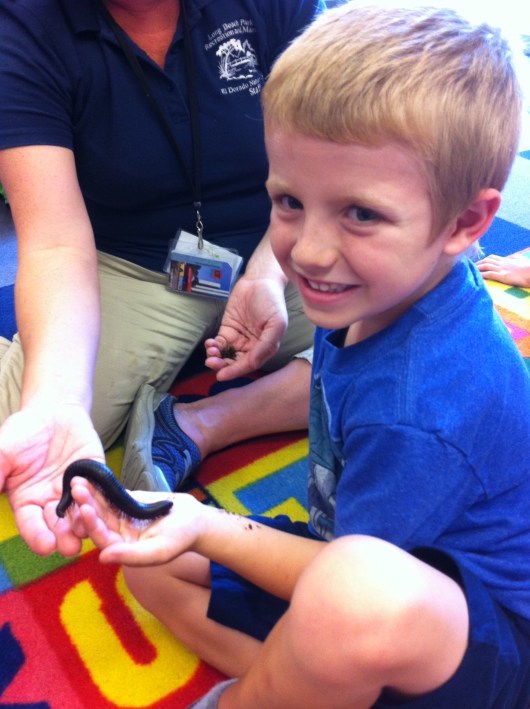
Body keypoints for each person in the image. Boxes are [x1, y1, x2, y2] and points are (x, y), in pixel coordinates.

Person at [69, 4, 530, 708]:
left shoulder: (420, 407)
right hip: (350, 557)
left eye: (361, 213)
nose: (307, 252)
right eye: (288, 200)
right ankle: (304, 679)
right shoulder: (382, 289)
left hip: (469, 632)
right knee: (152, 560)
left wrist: (213, 524)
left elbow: (349, 577)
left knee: (338, 596)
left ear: (465, 223)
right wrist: (198, 528)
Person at [0, 0, 323, 556]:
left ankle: (202, 423)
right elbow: (54, 241)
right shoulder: (23, 25)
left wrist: (270, 269)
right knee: (41, 437)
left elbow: (342, 159)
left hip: (288, 243)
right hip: (135, 263)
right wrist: (56, 398)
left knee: (431, 313)